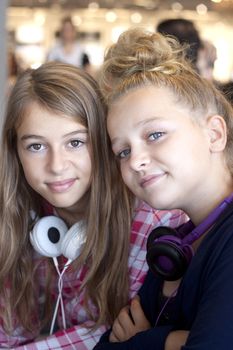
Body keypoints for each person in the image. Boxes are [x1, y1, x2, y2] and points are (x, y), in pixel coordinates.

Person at [0, 61, 185, 349]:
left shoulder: (151, 220)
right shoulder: (20, 218)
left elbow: (112, 335)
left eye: (75, 142)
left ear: (102, 143)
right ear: (16, 152)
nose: (57, 166)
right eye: (36, 146)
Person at [94, 27, 233, 349]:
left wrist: (149, 340)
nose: (135, 161)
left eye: (154, 134)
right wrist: (174, 342)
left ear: (214, 134)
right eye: (123, 151)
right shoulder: (176, 243)